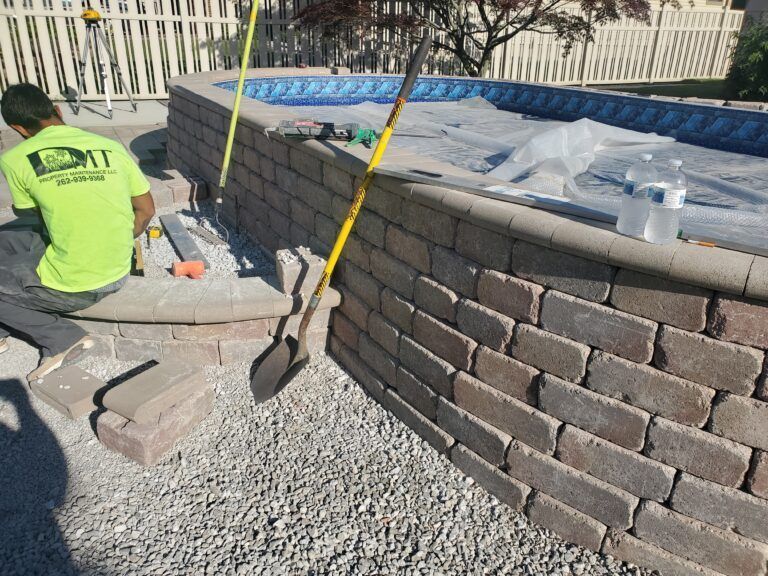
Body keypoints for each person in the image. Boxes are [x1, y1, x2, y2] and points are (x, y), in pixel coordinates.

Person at [0, 84, 155, 382]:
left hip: (79, 286)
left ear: (17, 128)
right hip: (120, 267)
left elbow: (31, 213)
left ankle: (62, 339)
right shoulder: (110, 146)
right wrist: (119, 239)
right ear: (57, 111)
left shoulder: (14, 158)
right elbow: (146, 210)